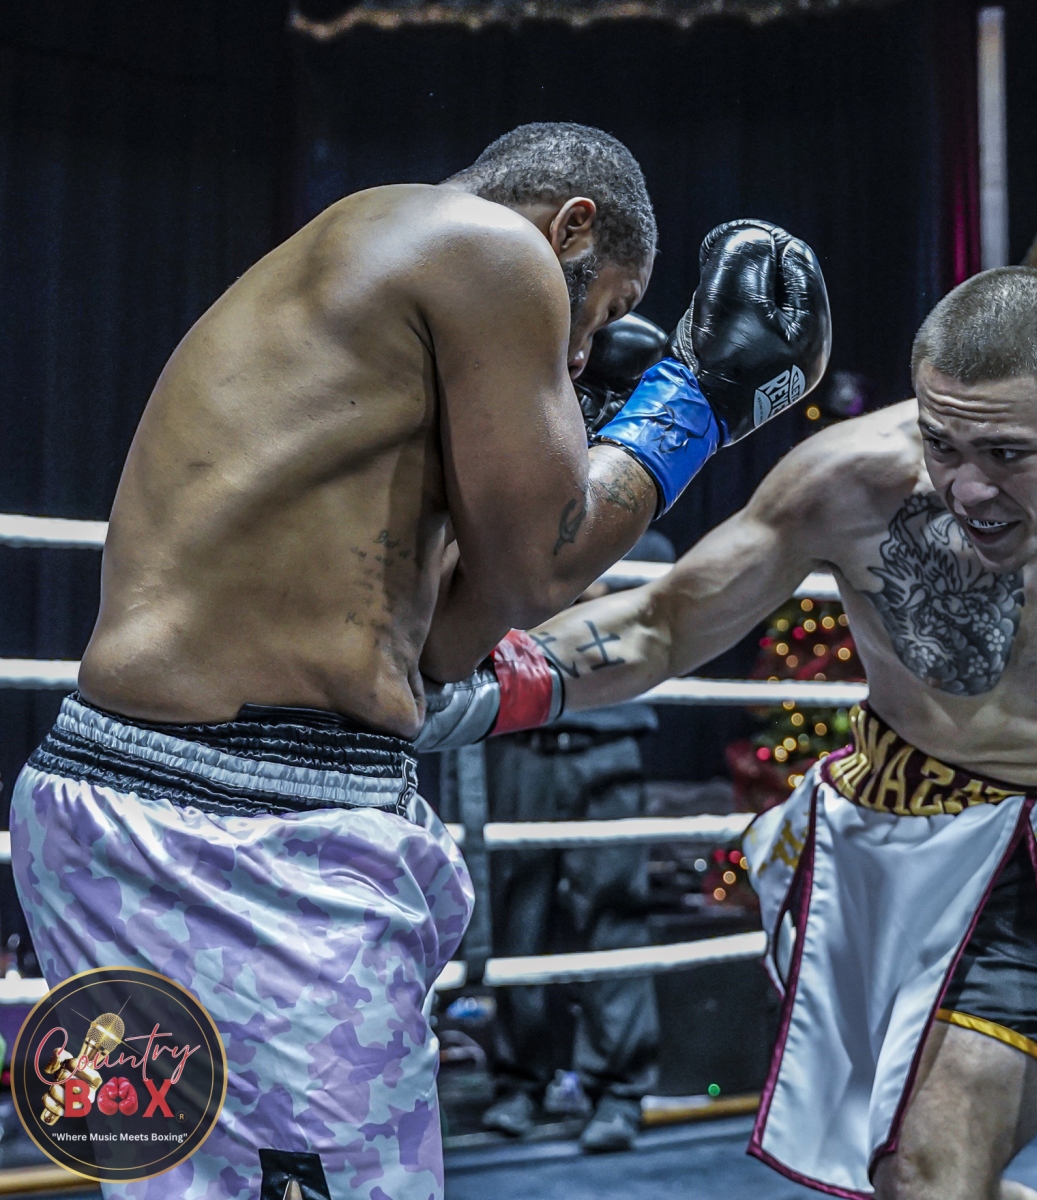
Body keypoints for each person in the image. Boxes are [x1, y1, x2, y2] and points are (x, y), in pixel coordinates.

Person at [9, 120, 830, 1200]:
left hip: (154, 801)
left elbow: (449, 638)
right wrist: (696, 404)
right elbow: (542, 566)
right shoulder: (490, 247)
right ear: (571, 227)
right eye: (603, 310)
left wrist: (581, 436)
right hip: (244, 826)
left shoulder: (362, 301)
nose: (580, 356)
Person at [490, 266, 1037, 1197]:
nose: (966, 486)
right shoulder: (848, 482)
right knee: (902, 1179)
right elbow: (665, 622)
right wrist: (485, 686)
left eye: (1005, 453)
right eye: (940, 442)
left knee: (928, 1172)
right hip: (889, 842)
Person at [481, 528, 674, 1153]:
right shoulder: (521, 527)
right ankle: (518, 1084)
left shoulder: (641, 537)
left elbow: (636, 602)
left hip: (608, 744)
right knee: (518, 918)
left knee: (615, 917)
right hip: (521, 743)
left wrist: (552, 589)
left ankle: (618, 1093)